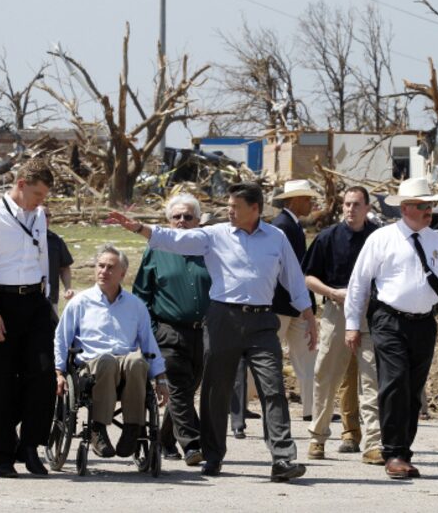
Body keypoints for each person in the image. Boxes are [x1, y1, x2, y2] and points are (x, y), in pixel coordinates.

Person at [109, 182, 316, 483]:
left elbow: (294, 280)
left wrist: (309, 315)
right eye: (228, 206)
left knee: (273, 388)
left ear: (255, 209)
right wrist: (140, 227)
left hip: (262, 322)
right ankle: (214, 456)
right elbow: (175, 239)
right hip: (223, 319)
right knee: (216, 392)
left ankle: (282, 458)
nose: (228, 211)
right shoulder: (214, 235)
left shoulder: (276, 238)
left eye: (235, 207)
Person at [344, 177, 438, 479]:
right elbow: (359, 283)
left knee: (412, 389)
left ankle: (404, 450)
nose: (430, 212)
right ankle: (394, 452)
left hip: (424, 323)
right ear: (407, 208)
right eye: (425, 206)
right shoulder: (382, 239)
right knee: (395, 382)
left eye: (431, 205)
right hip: (389, 320)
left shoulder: (436, 242)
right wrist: (352, 324)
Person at [0, 159, 56, 478]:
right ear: (20, 185)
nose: (40, 201)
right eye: (37, 194)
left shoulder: (38, 217)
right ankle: (2, 455)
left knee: (43, 375)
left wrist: (45, 300)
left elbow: (42, 257)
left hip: (33, 300)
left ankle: (31, 446)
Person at [55, 245, 169, 458]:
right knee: (106, 360)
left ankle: (132, 429)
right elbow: (61, 337)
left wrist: (160, 378)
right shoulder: (80, 302)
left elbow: (148, 343)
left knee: (137, 360)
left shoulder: (135, 305)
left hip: (126, 366)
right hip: (91, 367)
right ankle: (98, 429)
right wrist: (59, 371)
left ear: (122, 274)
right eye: (101, 266)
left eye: (110, 267)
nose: (103, 271)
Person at [302, 186, 384, 465]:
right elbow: (308, 277)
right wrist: (332, 292)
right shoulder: (328, 237)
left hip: (370, 312)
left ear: (367, 208)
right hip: (337, 310)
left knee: (371, 378)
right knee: (326, 373)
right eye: (347, 204)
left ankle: (373, 442)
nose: (351, 209)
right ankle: (318, 437)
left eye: (356, 204)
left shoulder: (379, 238)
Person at [133, 194, 208, 466]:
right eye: (176, 217)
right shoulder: (156, 250)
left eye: (188, 217)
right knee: (178, 388)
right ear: (167, 221)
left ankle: (165, 438)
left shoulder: (208, 249)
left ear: (198, 221)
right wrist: (152, 331)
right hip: (168, 332)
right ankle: (194, 444)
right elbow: (141, 293)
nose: (181, 222)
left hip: (203, 333)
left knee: (187, 391)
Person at [270, 180, 318, 422]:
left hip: (294, 305)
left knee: (307, 356)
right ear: (293, 200)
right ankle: (240, 409)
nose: (311, 203)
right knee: (266, 356)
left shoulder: (292, 225)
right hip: (282, 305)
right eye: (307, 199)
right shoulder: (283, 226)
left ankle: (311, 409)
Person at [46, 208, 75, 317]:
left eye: (49, 215)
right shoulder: (25, 239)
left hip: (51, 298)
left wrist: (68, 287)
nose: (47, 218)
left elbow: (64, 267)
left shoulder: (56, 240)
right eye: (44, 215)